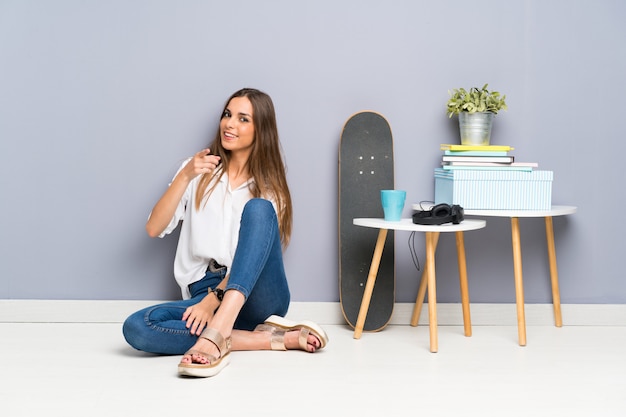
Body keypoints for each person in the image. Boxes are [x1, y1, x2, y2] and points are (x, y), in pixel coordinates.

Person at [123, 88, 328, 378]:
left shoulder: (271, 190)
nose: (230, 124)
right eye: (228, 115)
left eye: (243, 119)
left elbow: (256, 260)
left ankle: (218, 331)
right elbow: (154, 228)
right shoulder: (197, 171)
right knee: (139, 326)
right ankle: (269, 338)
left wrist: (215, 300)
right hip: (201, 289)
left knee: (258, 209)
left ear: (261, 131)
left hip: (256, 293)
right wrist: (185, 176)